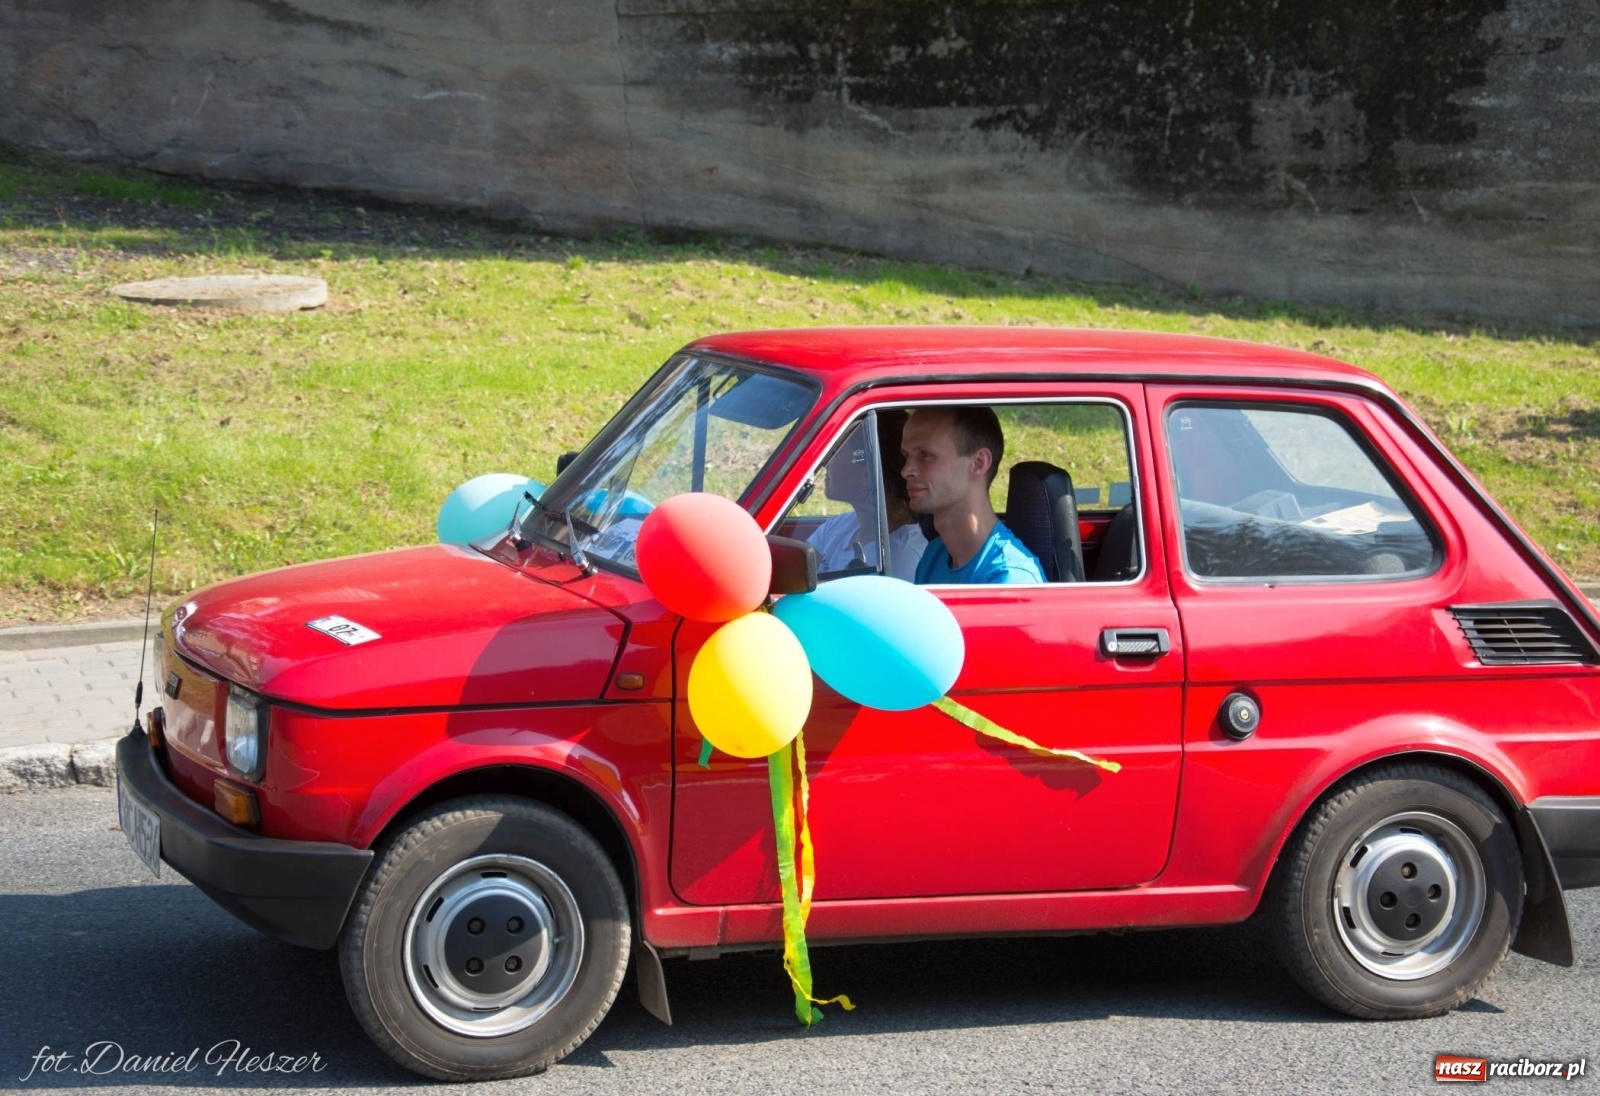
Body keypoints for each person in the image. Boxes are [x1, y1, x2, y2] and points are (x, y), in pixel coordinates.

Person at [902, 405, 1043, 585]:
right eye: (906, 455)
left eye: (925, 455)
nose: (905, 471)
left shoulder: (1010, 579)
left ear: (978, 463)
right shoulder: (934, 555)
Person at [807, 411, 928, 582]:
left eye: (837, 454)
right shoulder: (837, 526)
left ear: (867, 476)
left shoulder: (903, 557)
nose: (826, 464)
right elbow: (795, 572)